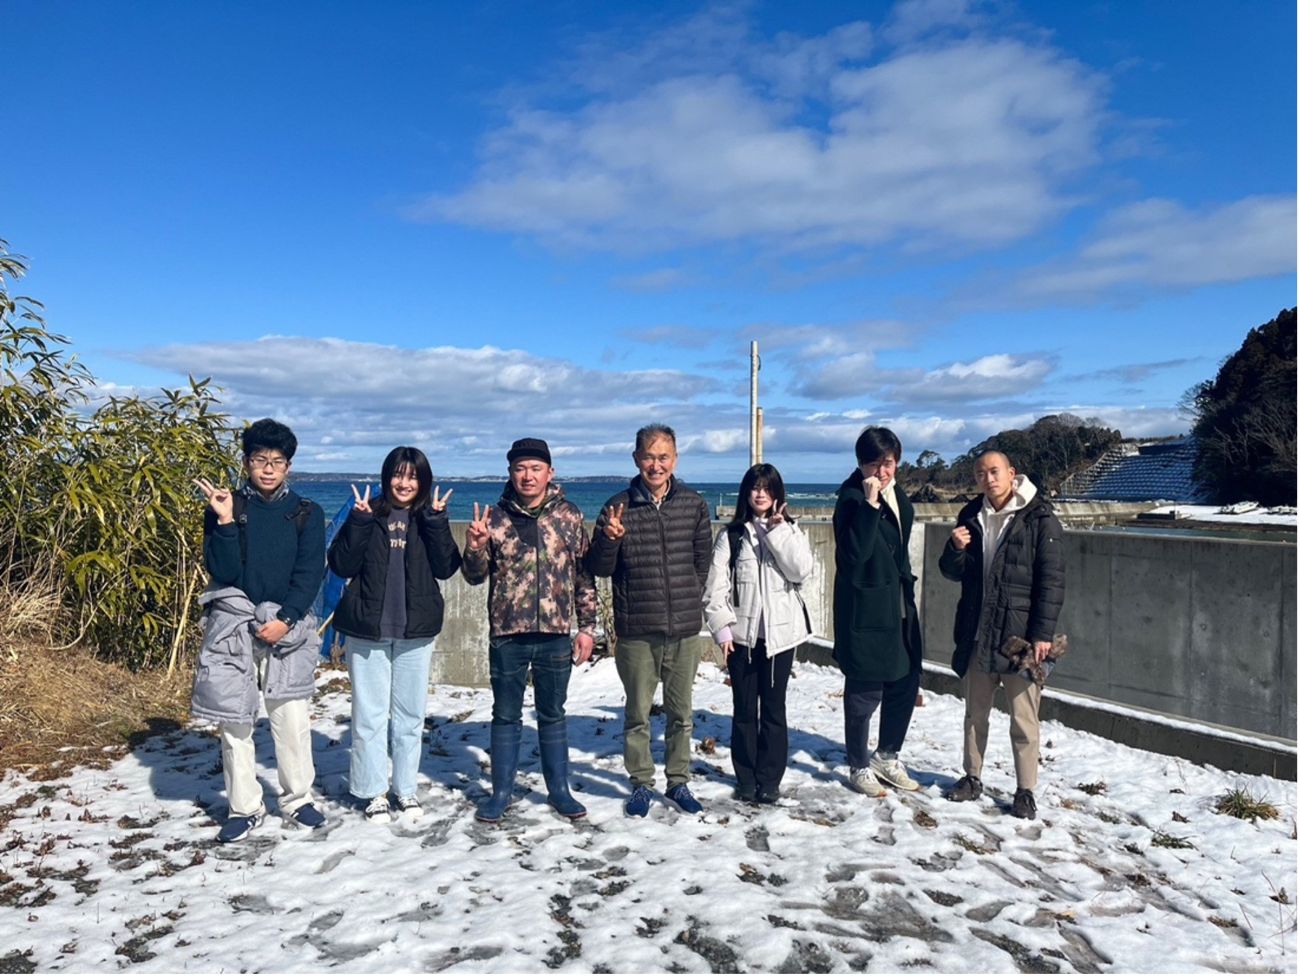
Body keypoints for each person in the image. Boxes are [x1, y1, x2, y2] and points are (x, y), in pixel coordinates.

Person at [192, 418, 327, 843]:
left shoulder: (307, 513)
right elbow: (224, 571)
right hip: (233, 624)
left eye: (277, 461)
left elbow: (310, 573)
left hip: (287, 626)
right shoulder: (226, 506)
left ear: (289, 466)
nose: (268, 469)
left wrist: (286, 619)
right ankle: (244, 807)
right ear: (246, 462)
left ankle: (297, 799)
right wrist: (225, 522)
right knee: (235, 722)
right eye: (259, 459)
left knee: (292, 717)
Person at [461, 438, 598, 823]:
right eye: (520, 468)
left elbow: (584, 575)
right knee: (505, 715)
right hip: (508, 635)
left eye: (536, 468)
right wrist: (475, 548)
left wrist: (587, 627)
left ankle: (560, 790)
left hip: (555, 635)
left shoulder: (569, 515)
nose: (528, 476)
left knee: (553, 713)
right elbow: (473, 577)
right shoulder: (494, 518)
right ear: (510, 472)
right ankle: (501, 792)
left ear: (549, 473)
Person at [327, 446, 461, 822]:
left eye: (413, 476)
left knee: (410, 716)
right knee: (369, 716)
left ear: (424, 481)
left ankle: (405, 789)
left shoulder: (427, 517)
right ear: (387, 477)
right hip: (367, 629)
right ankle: (373, 791)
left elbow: (447, 567)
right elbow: (341, 564)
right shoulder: (368, 513)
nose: (405, 483)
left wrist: (438, 521)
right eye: (398, 475)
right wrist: (358, 521)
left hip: (415, 630)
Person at [587, 424, 712, 817]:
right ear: (636, 459)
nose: (656, 465)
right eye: (648, 457)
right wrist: (610, 539)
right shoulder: (617, 507)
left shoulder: (693, 504)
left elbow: (702, 562)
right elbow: (599, 567)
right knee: (637, 714)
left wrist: (689, 599)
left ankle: (678, 781)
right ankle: (641, 782)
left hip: (683, 629)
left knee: (681, 714)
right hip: (637, 629)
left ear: (675, 459)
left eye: (663, 457)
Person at [938, 450, 1065, 820]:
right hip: (978, 632)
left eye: (994, 471)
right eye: (980, 473)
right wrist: (954, 549)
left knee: (1024, 719)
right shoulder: (970, 515)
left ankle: (1025, 791)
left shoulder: (1040, 518)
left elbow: (1052, 581)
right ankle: (971, 777)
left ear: (1012, 473)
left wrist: (1042, 634)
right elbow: (952, 572)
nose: (988, 479)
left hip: (1019, 639)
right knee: (974, 714)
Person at [703, 463, 814, 804]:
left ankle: (770, 779)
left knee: (774, 711)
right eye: (755, 487)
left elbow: (801, 572)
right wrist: (722, 630)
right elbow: (715, 589)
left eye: (767, 488)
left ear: (777, 493)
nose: (761, 494)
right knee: (744, 711)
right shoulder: (732, 536)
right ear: (746, 493)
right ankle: (746, 778)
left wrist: (778, 533)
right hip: (742, 640)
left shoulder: (792, 532)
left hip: (781, 640)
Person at [831, 427, 925, 798]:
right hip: (866, 607)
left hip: (898, 602)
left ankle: (887, 755)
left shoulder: (897, 494)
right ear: (860, 464)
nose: (882, 472)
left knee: (906, 679)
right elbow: (853, 556)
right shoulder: (852, 498)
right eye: (873, 464)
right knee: (864, 689)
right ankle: (858, 765)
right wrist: (869, 507)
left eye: (888, 463)